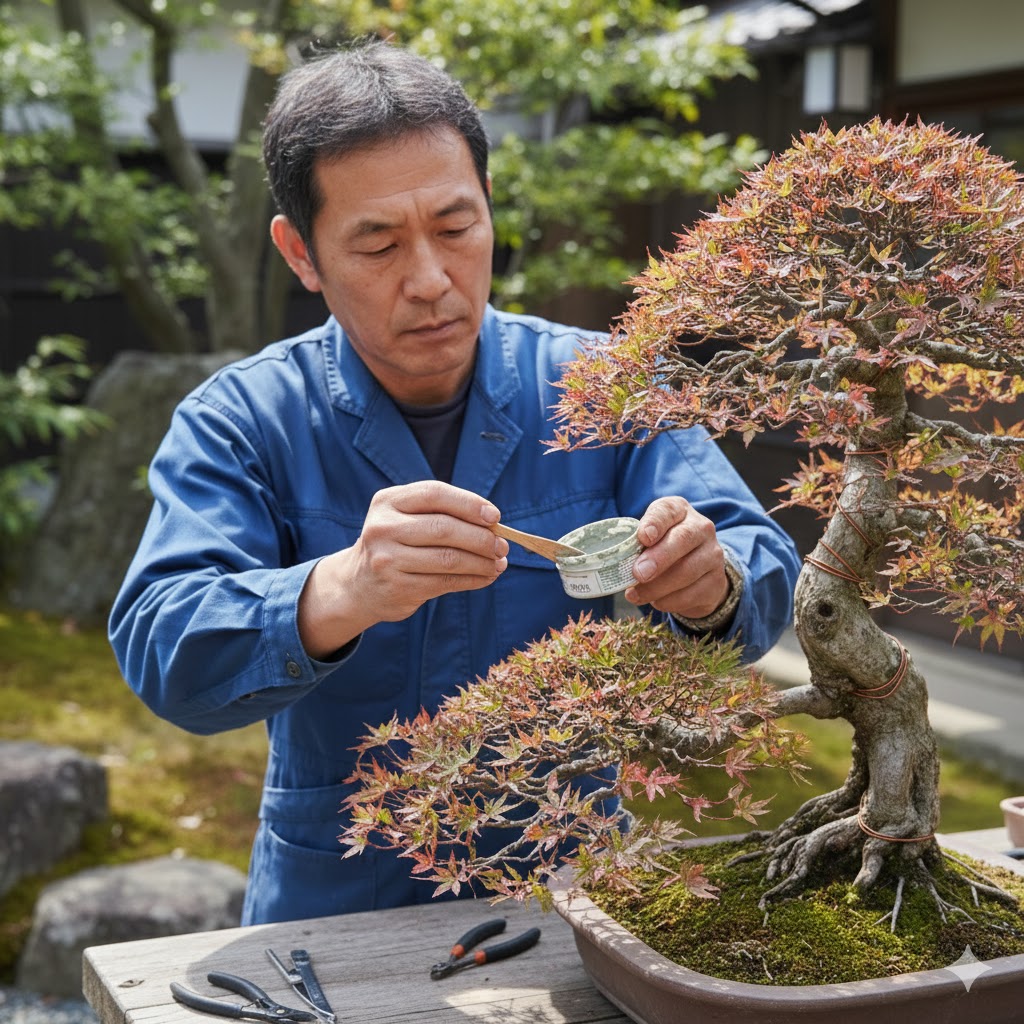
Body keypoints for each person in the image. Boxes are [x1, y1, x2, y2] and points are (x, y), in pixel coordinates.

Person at [108, 40, 801, 926]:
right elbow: (164, 645)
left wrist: (712, 587)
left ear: (489, 208)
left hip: (574, 879)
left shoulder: (601, 384)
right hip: (340, 893)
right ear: (301, 254)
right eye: (379, 244)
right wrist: (340, 590)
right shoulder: (244, 419)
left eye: (455, 226)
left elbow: (759, 567)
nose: (431, 280)